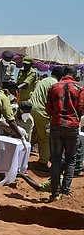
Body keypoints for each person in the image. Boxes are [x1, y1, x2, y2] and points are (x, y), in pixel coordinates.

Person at [46, 66, 84, 202]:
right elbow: (80, 108)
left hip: (56, 124)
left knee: (55, 160)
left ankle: (54, 194)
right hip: (72, 125)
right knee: (71, 159)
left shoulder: (54, 87)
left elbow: (48, 109)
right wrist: (75, 118)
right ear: (74, 75)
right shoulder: (79, 88)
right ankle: (66, 192)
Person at [29, 66, 63, 170]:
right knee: (45, 137)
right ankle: (43, 162)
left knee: (32, 134)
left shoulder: (44, 80)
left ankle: (24, 157)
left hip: (30, 108)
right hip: (41, 110)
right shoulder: (55, 84)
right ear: (61, 76)